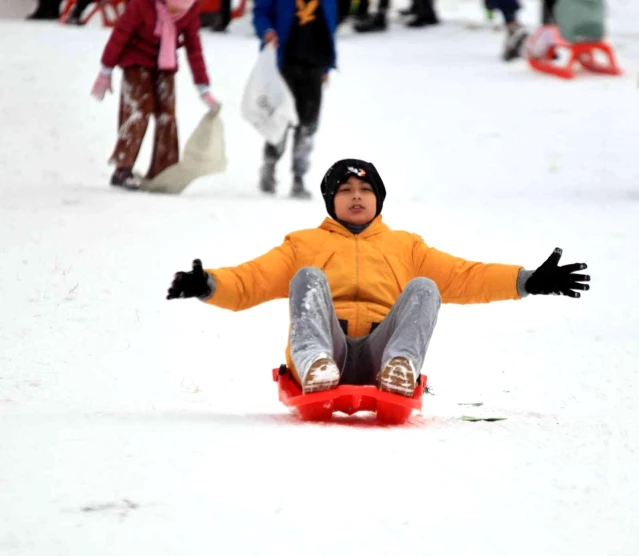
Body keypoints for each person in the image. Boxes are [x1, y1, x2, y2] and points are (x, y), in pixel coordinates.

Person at [166, 158, 591, 397]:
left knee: (426, 286)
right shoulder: (303, 243)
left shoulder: (406, 246)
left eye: (365, 191)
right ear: (332, 200)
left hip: (379, 351)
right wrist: (208, 285)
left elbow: (464, 277)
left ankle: (401, 367)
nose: (356, 197)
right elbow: (250, 281)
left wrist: (527, 280)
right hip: (326, 349)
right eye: (346, 190)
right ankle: (314, 363)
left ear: (378, 200)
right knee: (308, 277)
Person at [90, 0, 219, 190]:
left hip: (165, 63)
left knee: (167, 114)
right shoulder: (142, 5)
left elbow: (194, 47)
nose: (177, 12)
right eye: (173, 8)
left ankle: (164, 171)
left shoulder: (189, 11)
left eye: (181, 9)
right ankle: (122, 169)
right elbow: (121, 34)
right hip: (136, 60)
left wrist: (203, 87)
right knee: (138, 111)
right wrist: (106, 69)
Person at [253, 0, 338, 199]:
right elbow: (260, 13)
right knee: (279, 121)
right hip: (283, 63)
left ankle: (299, 177)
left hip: (314, 64)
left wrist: (326, 67)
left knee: (308, 125)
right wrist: (266, 31)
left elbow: (329, 24)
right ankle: (270, 166)